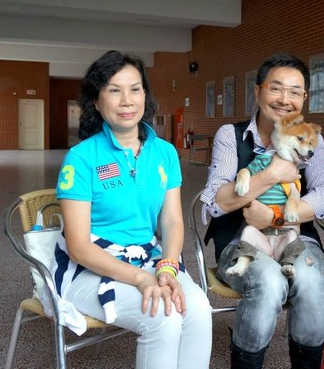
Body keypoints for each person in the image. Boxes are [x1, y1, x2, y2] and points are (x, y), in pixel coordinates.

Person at [52, 50, 212, 369]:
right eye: (114, 90)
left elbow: (171, 220)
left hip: (149, 258)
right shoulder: (81, 158)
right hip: (90, 268)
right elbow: (79, 246)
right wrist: (141, 279)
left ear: (145, 96)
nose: (127, 100)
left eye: (135, 88)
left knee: (198, 310)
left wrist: (167, 266)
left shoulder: (164, 152)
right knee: (162, 317)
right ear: (96, 102)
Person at [200, 53, 324, 369]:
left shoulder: (310, 138)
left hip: (295, 239)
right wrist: (271, 175)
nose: (284, 100)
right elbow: (215, 202)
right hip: (240, 241)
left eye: (294, 92)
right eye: (276, 89)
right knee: (268, 280)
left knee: (310, 281)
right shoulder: (230, 136)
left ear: (304, 98)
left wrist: (276, 216)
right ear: (258, 91)